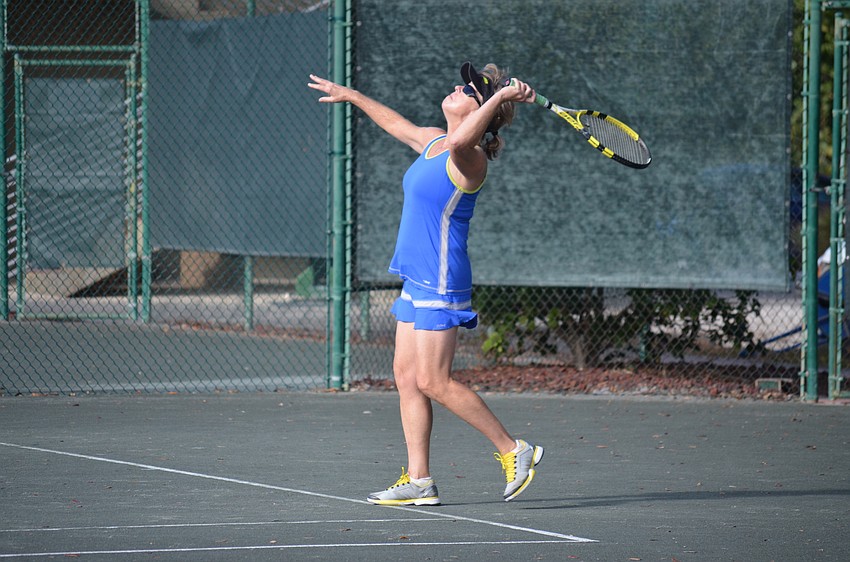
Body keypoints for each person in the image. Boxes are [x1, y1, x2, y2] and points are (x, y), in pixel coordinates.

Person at [308, 62, 543, 505]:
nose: (457, 87)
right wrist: (352, 95)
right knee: (406, 376)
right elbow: (397, 125)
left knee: (434, 380)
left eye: (469, 90)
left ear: (481, 112)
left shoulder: (468, 158)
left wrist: (499, 97)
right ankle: (419, 480)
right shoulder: (435, 140)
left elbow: (461, 141)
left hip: (441, 279)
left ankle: (515, 449)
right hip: (416, 278)